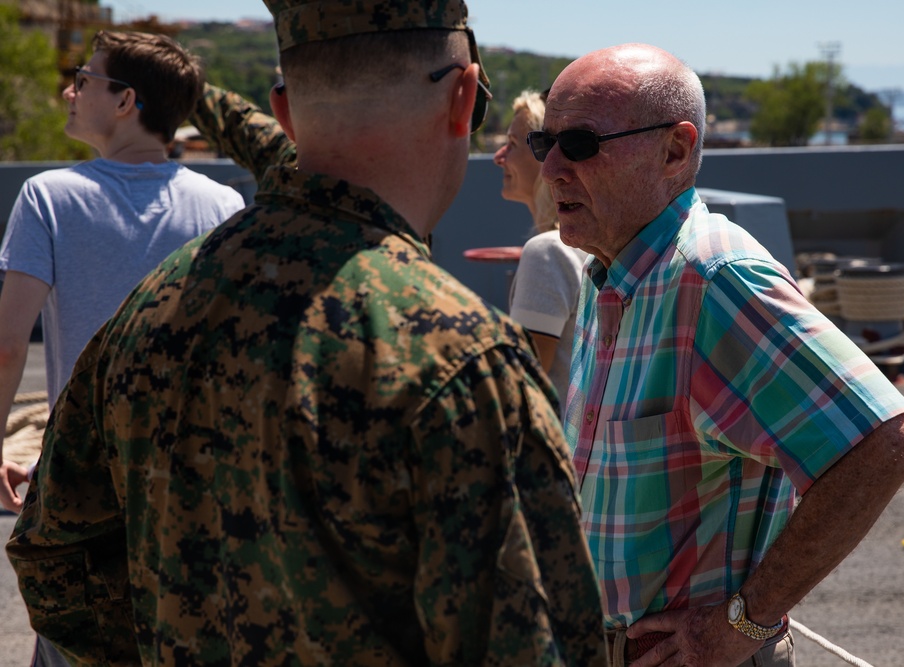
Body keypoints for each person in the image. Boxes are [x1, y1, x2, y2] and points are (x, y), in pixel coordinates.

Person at [6, 2, 607, 665]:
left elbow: (53, 560)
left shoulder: (146, 312)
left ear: (285, 110)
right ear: (463, 99)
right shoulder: (464, 361)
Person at [529, 43, 904, 667]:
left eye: (579, 143)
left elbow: (886, 443)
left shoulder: (715, 280)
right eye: (542, 142)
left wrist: (743, 623)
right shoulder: (606, 274)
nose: (551, 166)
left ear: (675, 150)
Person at [0, 29, 244, 665]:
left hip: (79, 483)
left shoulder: (49, 197)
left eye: (84, 78)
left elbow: (6, 346)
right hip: (190, 487)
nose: (69, 90)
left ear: (125, 100)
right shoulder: (224, 205)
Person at [493, 89, 587, 411]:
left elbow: (516, 391)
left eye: (514, 144)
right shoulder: (585, 245)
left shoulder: (547, 252)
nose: (499, 156)